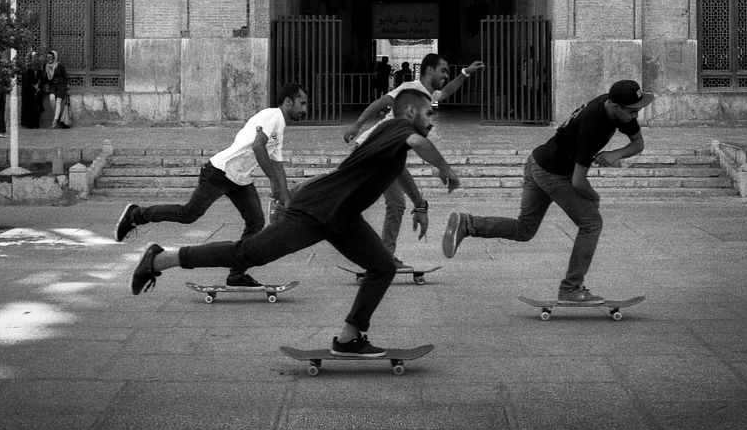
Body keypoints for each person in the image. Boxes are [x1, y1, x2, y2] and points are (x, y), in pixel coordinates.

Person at [129, 88, 462, 358]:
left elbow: (399, 170)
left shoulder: (393, 138)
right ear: (409, 112)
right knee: (248, 254)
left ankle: (349, 337)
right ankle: (160, 259)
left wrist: (420, 203)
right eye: (429, 113)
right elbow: (419, 143)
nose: (433, 120)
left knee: (382, 267)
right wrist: (446, 170)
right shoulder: (399, 128)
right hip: (315, 210)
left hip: (342, 217)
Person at [442, 79, 654, 303]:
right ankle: (571, 289)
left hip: (537, 161)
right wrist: (594, 197)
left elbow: (638, 143)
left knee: (524, 229)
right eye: (632, 111)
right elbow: (578, 182)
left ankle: (468, 223)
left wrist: (616, 154)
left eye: (638, 110)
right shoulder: (593, 127)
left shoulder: (619, 107)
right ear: (614, 106)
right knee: (592, 223)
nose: (636, 116)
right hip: (553, 173)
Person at [114, 83, 308, 287]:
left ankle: (237, 273)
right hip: (219, 172)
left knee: (256, 222)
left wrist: (284, 195)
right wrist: (273, 181)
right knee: (189, 214)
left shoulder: (280, 128)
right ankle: (136, 215)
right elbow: (258, 147)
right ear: (288, 102)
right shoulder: (273, 116)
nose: (305, 110)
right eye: (302, 103)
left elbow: (277, 163)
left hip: (239, 179)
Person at [343, 53, 484, 265]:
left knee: (393, 204)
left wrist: (465, 73)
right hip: (372, 149)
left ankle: (384, 257)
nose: (446, 75)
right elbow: (381, 102)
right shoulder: (410, 88)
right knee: (347, 196)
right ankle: (382, 258)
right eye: (443, 70)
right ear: (429, 70)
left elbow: (445, 92)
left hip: (386, 154)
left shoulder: (427, 97)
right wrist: (357, 125)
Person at [43, 50, 71, 128]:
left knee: (58, 102)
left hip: (61, 86)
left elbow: (65, 77)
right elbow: (45, 78)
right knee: (52, 99)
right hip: (52, 86)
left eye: (50, 57)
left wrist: (68, 87)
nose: (49, 59)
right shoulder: (46, 66)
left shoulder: (59, 65)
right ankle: (58, 116)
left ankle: (54, 121)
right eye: (48, 57)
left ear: (54, 57)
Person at [20, 52, 46, 129]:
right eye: (34, 57)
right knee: (29, 106)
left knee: (37, 106)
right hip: (29, 91)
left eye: (36, 57)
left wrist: (38, 87)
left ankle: (36, 123)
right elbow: (26, 82)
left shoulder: (38, 68)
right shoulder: (27, 68)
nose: (35, 59)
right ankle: (29, 124)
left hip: (37, 91)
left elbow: (42, 79)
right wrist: (34, 87)